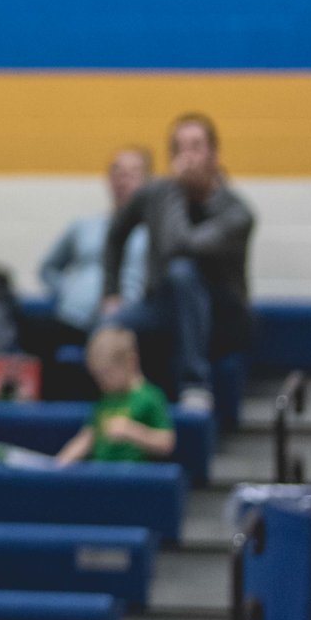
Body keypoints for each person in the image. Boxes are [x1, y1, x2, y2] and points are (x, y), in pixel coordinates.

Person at [104, 114, 255, 414]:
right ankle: (112, 418)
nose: (187, 156)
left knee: (182, 272)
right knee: (106, 332)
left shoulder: (236, 213)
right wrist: (111, 292)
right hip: (164, 307)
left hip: (220, 317)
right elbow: (115, 233)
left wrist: (174, 188)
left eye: (196, 147)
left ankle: (194, 385)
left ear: (214, 155)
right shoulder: (153, 193)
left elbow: (181, 245)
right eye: (179, 148)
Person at [34, 146, 152, 364]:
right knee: (27, 324)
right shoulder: (84, 226)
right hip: (74, 318)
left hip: (126, 323)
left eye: (133, 174)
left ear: (147, 182)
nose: (123, 181)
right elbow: (47, 269)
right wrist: (67, 288)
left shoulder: (153, 233)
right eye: (118, 173)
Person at [56, 328, 176, 466]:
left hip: (134, 478)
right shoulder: (106, 399)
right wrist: (59, 463)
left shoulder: (150, 397)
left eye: (107, 375)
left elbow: (167, 442)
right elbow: (87, 437)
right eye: (97, 377)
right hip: (102, 475)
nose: (102, 383)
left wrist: (131, 431)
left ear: (131, 362)